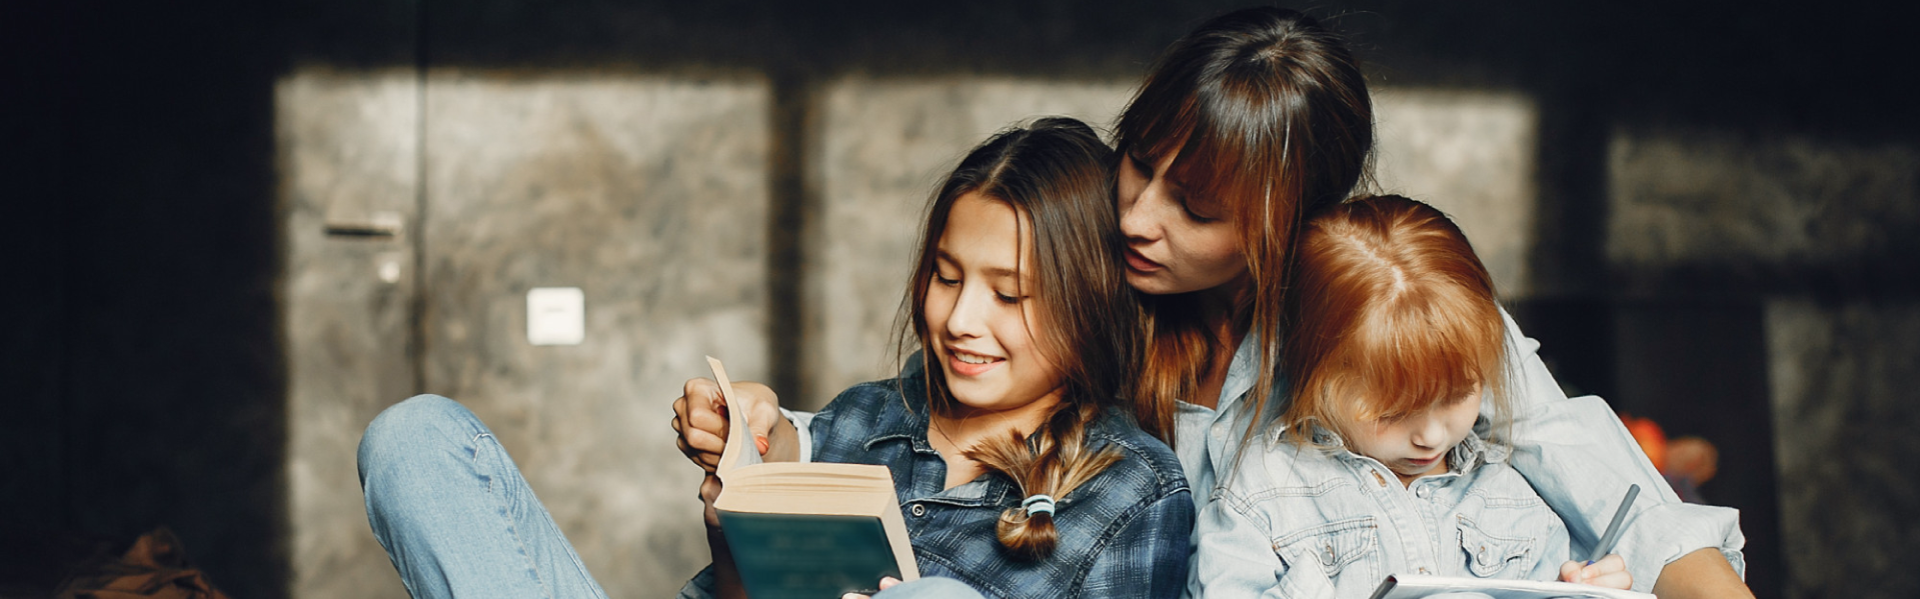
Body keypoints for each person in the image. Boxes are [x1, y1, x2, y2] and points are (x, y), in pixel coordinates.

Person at [674, 7, 1751, 598]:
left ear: (1281, 222)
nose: (1135, 215)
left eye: (1192, 206)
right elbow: (932, 411)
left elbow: (1624, 499)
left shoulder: (1384, 308)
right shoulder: (1099, 253)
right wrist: (775, 424)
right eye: (1137, 162)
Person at [686, 117, 1191, 599]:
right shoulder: (862, 417)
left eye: (1009, 295)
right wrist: (729, 525)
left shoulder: (1133, 491)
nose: (958, 320)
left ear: (1092, 304)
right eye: (947, 277)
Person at [1188, 194, 1632, 598]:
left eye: (1460, 395)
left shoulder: (1509, 494)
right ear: (1313, 376)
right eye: (1394, 412)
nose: (1431, 436)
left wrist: (1578, 590)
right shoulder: (1261, 495)